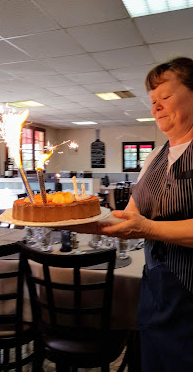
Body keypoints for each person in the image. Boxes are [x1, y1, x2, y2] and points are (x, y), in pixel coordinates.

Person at [99, 57, 193, 372]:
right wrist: (87, 220)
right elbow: (130, 216)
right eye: (153, 101)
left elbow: (144, 226)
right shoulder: (154, 157)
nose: (156, 106)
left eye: (165, 97)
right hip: (155, 291)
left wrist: (147, 229)